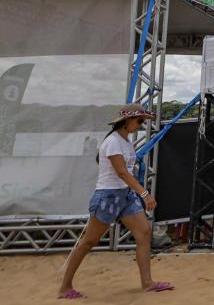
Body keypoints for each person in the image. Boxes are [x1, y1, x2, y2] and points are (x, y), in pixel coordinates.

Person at [58, 104, 174, 299]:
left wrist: (137, 193)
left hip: (125, 195)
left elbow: (124, 174)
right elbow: (121, 172)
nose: (141, 125)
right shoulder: (112, 142)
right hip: (108, 197)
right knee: (89, 242)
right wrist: (144, 194)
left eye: (142, 121)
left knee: (144, 233)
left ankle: (147, 283)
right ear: (127, 120)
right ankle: (64, 287)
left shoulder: (125, 141)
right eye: (139, 121)